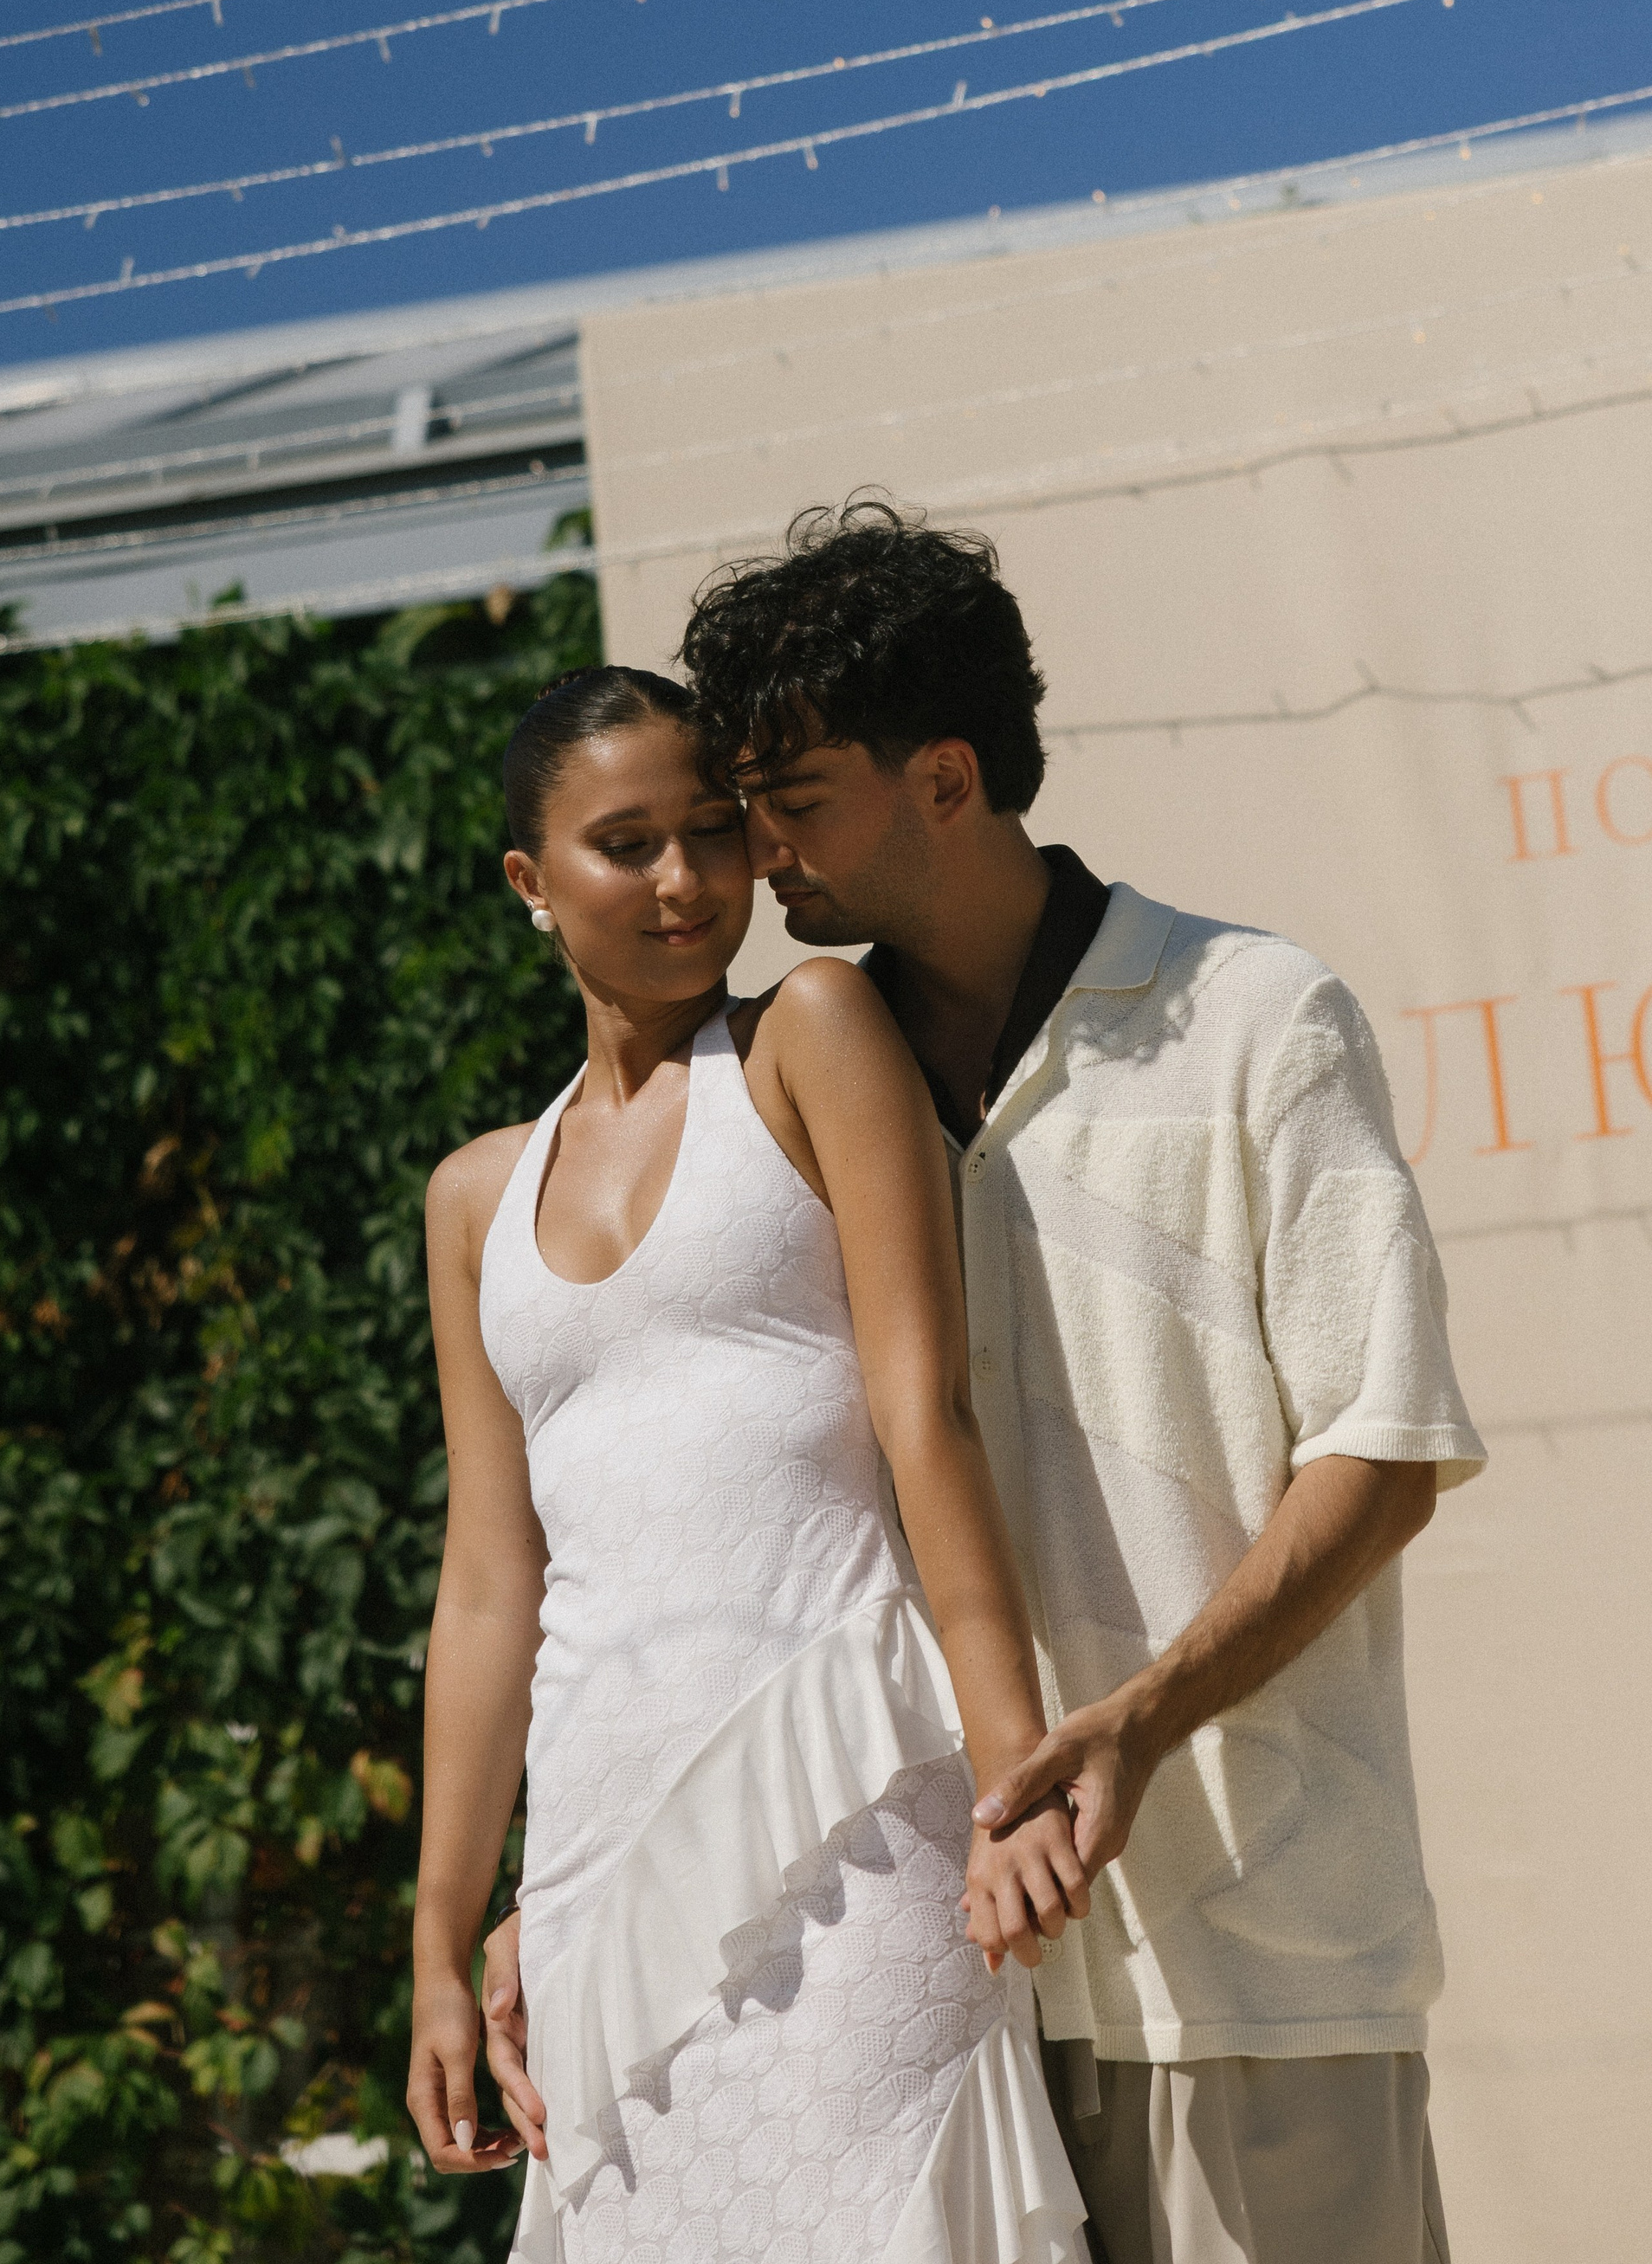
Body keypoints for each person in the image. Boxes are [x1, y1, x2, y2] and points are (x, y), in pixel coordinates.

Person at [552, 495, 1480, 2264]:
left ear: (948, 779)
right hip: (935, 1985)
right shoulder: (801, 1087)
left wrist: (1140, 1720)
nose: (757, 855)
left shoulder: (1258, 1018)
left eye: (793, 799)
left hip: (1258, 1963)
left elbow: (1384, 1455)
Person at [405, 663, 1093, 2264]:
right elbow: (490, 1586)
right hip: (600, 1860)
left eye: (713, 832)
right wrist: (441, 1941)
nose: (686, 880)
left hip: (855, 1812)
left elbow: (930, 1418)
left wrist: (1015, 1776)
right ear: (529, 881)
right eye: (626, 844)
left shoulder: (811, 1035)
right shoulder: (472, 1200)